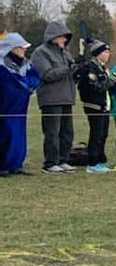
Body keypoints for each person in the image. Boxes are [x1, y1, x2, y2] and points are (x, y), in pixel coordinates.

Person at [30, 20, 77, 174]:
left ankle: (63, 160)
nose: (65, 40)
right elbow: (47, 75)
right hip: (51, 99)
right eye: (62, 36)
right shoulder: (40, 53)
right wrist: (67, 69)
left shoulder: (66, 53)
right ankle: (50, 163)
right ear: (53, 37)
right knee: (52, 132)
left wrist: (78, 70)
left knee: (67, 132)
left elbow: (70, 74)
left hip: (67, 97)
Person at [0, 32, 41, 177]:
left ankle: (17, 164)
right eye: (21, 48)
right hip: (5, 107)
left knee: (19, 135)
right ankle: (3, 165)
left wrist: (30, 85)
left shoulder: (26, 64)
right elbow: (8, 82)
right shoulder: (2, 64)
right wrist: (22, 84)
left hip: (20, 106)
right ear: (12, 48)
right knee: (5, 135)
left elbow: (34, 77)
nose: (24, 50)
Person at [76, 38, 116, 173]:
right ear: (98, 53)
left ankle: (100, 160)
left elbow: (108, 87)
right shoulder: (91, 68)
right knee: (96, 134)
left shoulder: (104, 68)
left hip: (105, 105)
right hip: (94, 105)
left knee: (103, 134)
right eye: (105, 52)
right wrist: (113, 80)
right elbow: (96, 87)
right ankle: (92, 162)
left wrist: (114, 83)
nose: (108, 54)